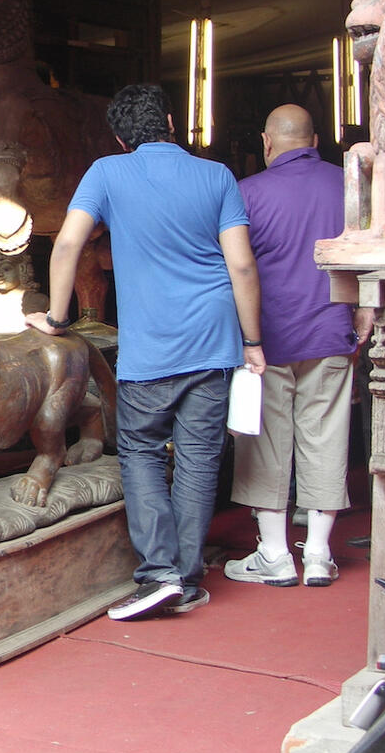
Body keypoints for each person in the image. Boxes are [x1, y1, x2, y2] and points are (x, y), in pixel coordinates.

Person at [27, 83, 265, 620]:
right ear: (172, 123)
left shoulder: (106, 172)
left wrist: (58, 319)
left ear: (119, 137)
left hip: (151, 344)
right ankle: (186, 577)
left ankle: (159, 573)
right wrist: (252, 341)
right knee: (200, 458)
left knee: (141, 452)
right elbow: (242, 265)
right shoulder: (217, 176)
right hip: (213, 339)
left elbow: (67, 244)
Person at [224, 104, 370, 588]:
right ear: (315, 140)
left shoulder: (247, 192)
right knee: (326, 436)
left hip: (266, 340)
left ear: (267, 143)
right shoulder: (347, 185)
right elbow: (366, 253)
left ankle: (274, 554)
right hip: (330, 330)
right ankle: (320, 555)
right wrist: (367, 306)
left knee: (264, 440)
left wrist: (245, 336)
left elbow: (235, 267)